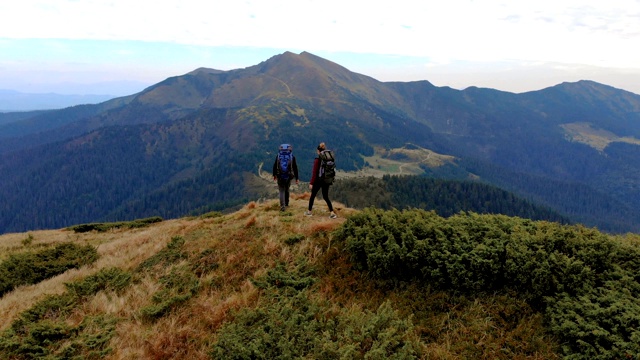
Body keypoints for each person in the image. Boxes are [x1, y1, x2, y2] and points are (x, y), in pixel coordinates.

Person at [305, 142, 337, 218]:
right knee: (326, 196)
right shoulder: (328, 158)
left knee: (313, 195)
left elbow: (315, 172)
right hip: (327, 179)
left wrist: (311, 183)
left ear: (318, 151)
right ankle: (332, 213)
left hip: (319, 180)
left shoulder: (318, 160)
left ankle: (309, 212)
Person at [273, 144, 299, 211]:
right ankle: (287, 203)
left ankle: (282, 207)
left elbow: (275, 165)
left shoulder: (278, 156)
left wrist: (274, 175)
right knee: (287, 189)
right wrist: (297, 178)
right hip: (288, 176)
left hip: (280, 176)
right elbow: (295, 168)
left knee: (281, 190)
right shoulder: (292, 157)